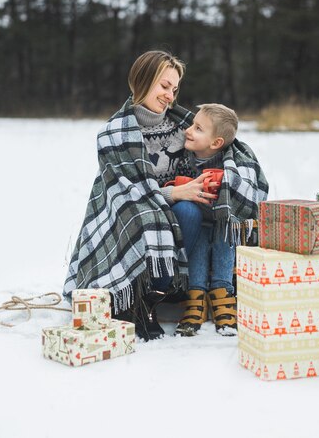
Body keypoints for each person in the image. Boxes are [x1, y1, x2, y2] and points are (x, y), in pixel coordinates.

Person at [63, 50, 217, 341]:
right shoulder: (114, 133)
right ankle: (134, 299)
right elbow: (124, 191)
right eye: (164, 86)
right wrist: (172, 193)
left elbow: (218, 145)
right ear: (143, 81)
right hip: (127, 214)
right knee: (142, 213)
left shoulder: (183, 128)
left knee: (189, 210)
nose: (170, 96)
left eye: (174, 88)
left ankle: (159, 292)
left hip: (171, 215)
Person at [174, 103, 269, 337]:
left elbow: (248, 191)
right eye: (192, 124)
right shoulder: (183, 158)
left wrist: (226, 187)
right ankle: (196, 298)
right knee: (200, 241)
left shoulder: (234, 161)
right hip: (198, 221)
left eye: (198, 128)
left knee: (225, 235)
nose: (188, 130)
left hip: (226, 221)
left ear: (216, 143)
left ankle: (223, 295)